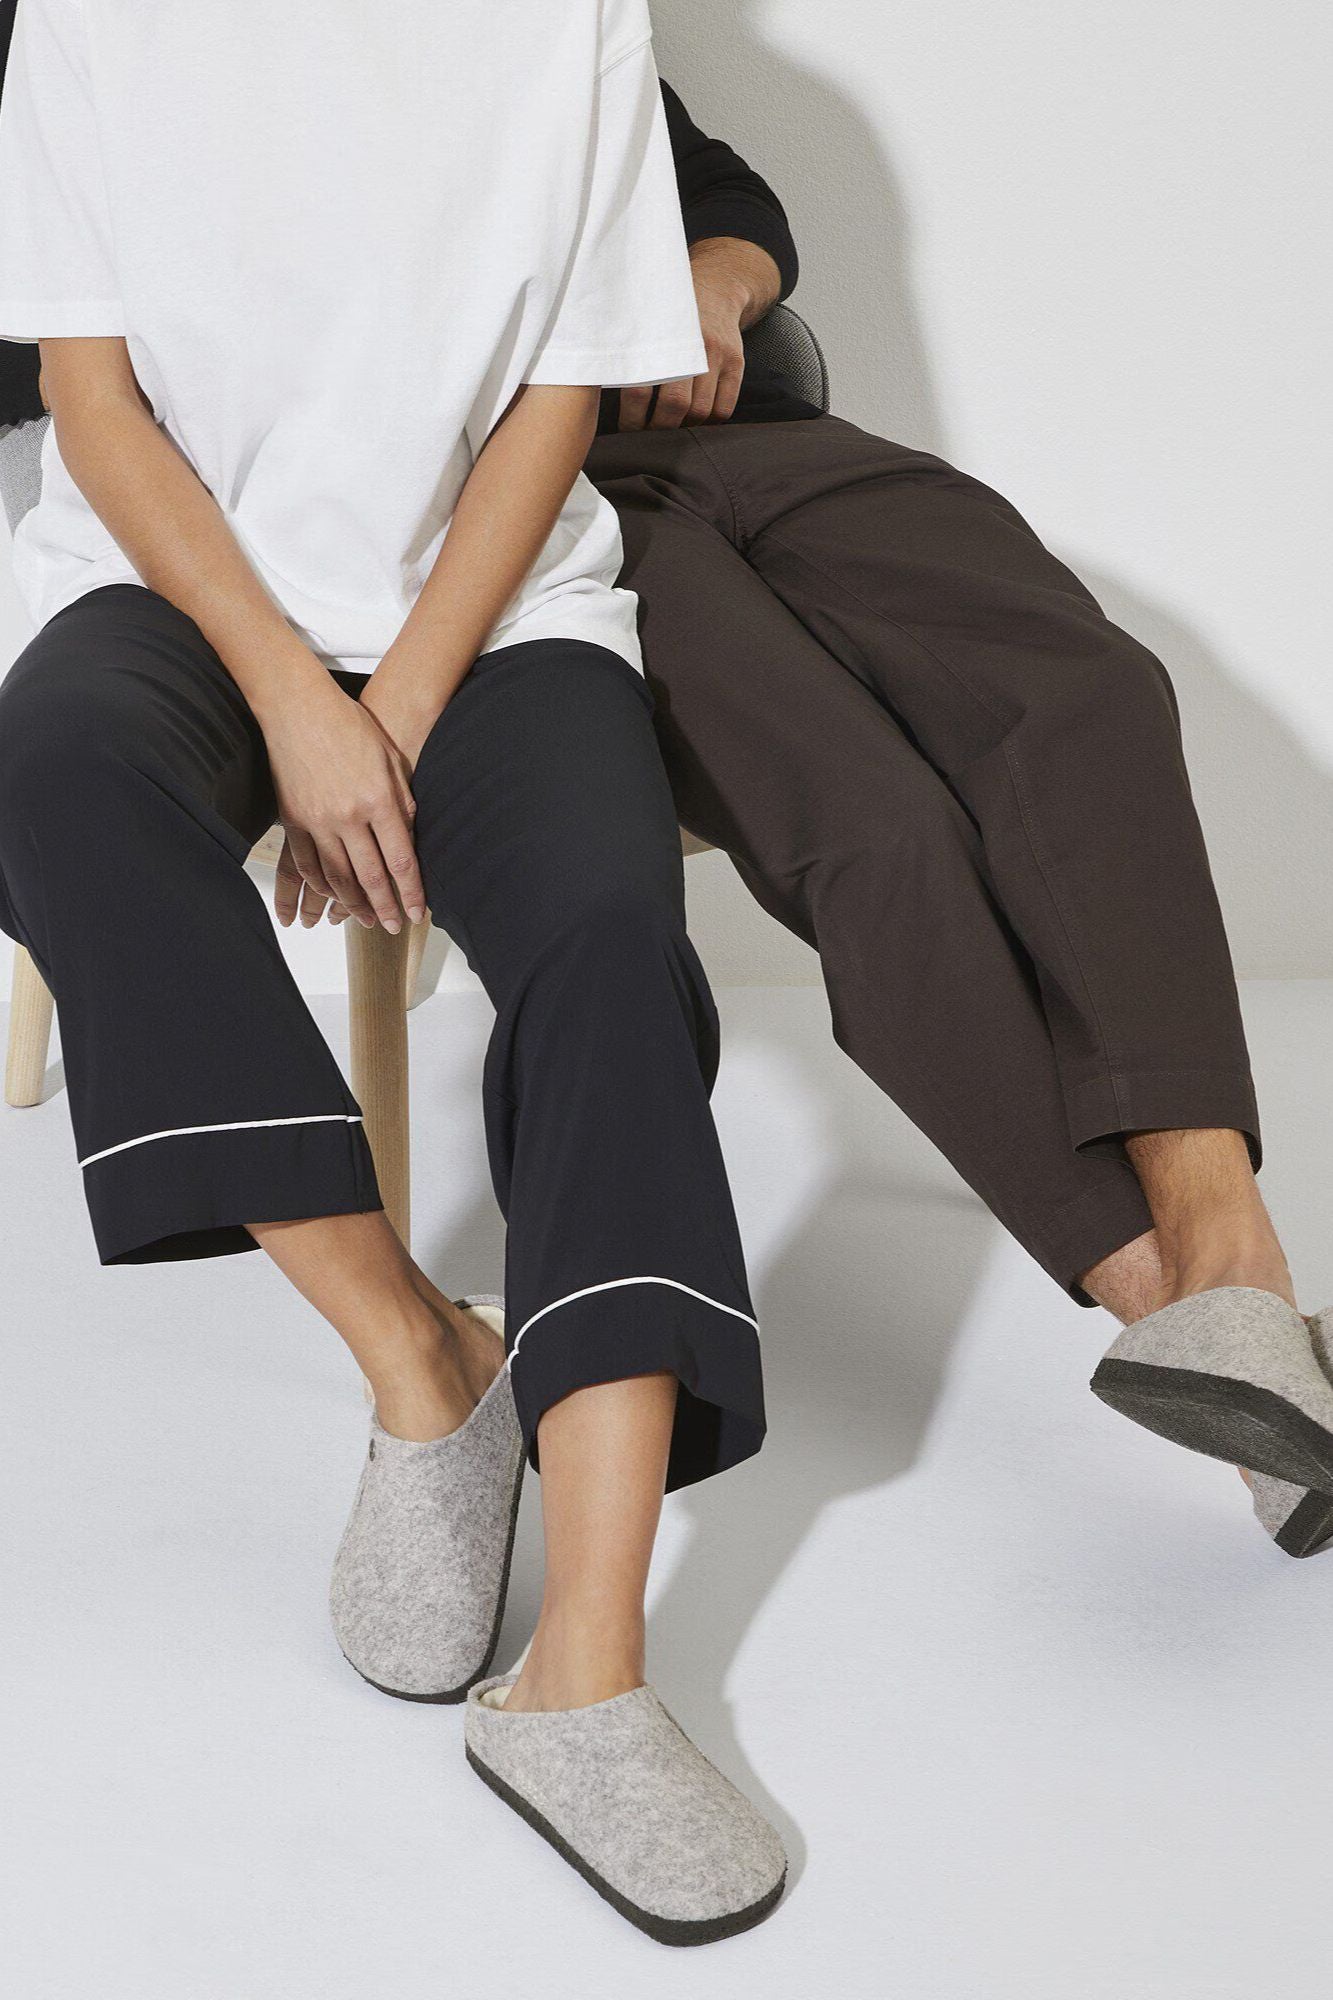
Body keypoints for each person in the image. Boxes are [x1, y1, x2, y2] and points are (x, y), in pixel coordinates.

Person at [0, 0, 787, 1946]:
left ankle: (585, 1672)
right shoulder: (92, 17)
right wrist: (296, 700)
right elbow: (94, 405)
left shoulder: (571, 15)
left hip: (493, 607)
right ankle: (424, 1360)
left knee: (605, 926)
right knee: (61, 770)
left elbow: (557, 398)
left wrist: (400, 706)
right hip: (173, 592)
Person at [581, 88, 1333, 1552]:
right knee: (874, 825)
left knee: (1090, 693)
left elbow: (724, 193)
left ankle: (1226, 1260)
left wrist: (712, 281)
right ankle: (1196, 1315)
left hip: (748, 431)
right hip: (528, 509)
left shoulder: (544, 26)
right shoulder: (178, 72)